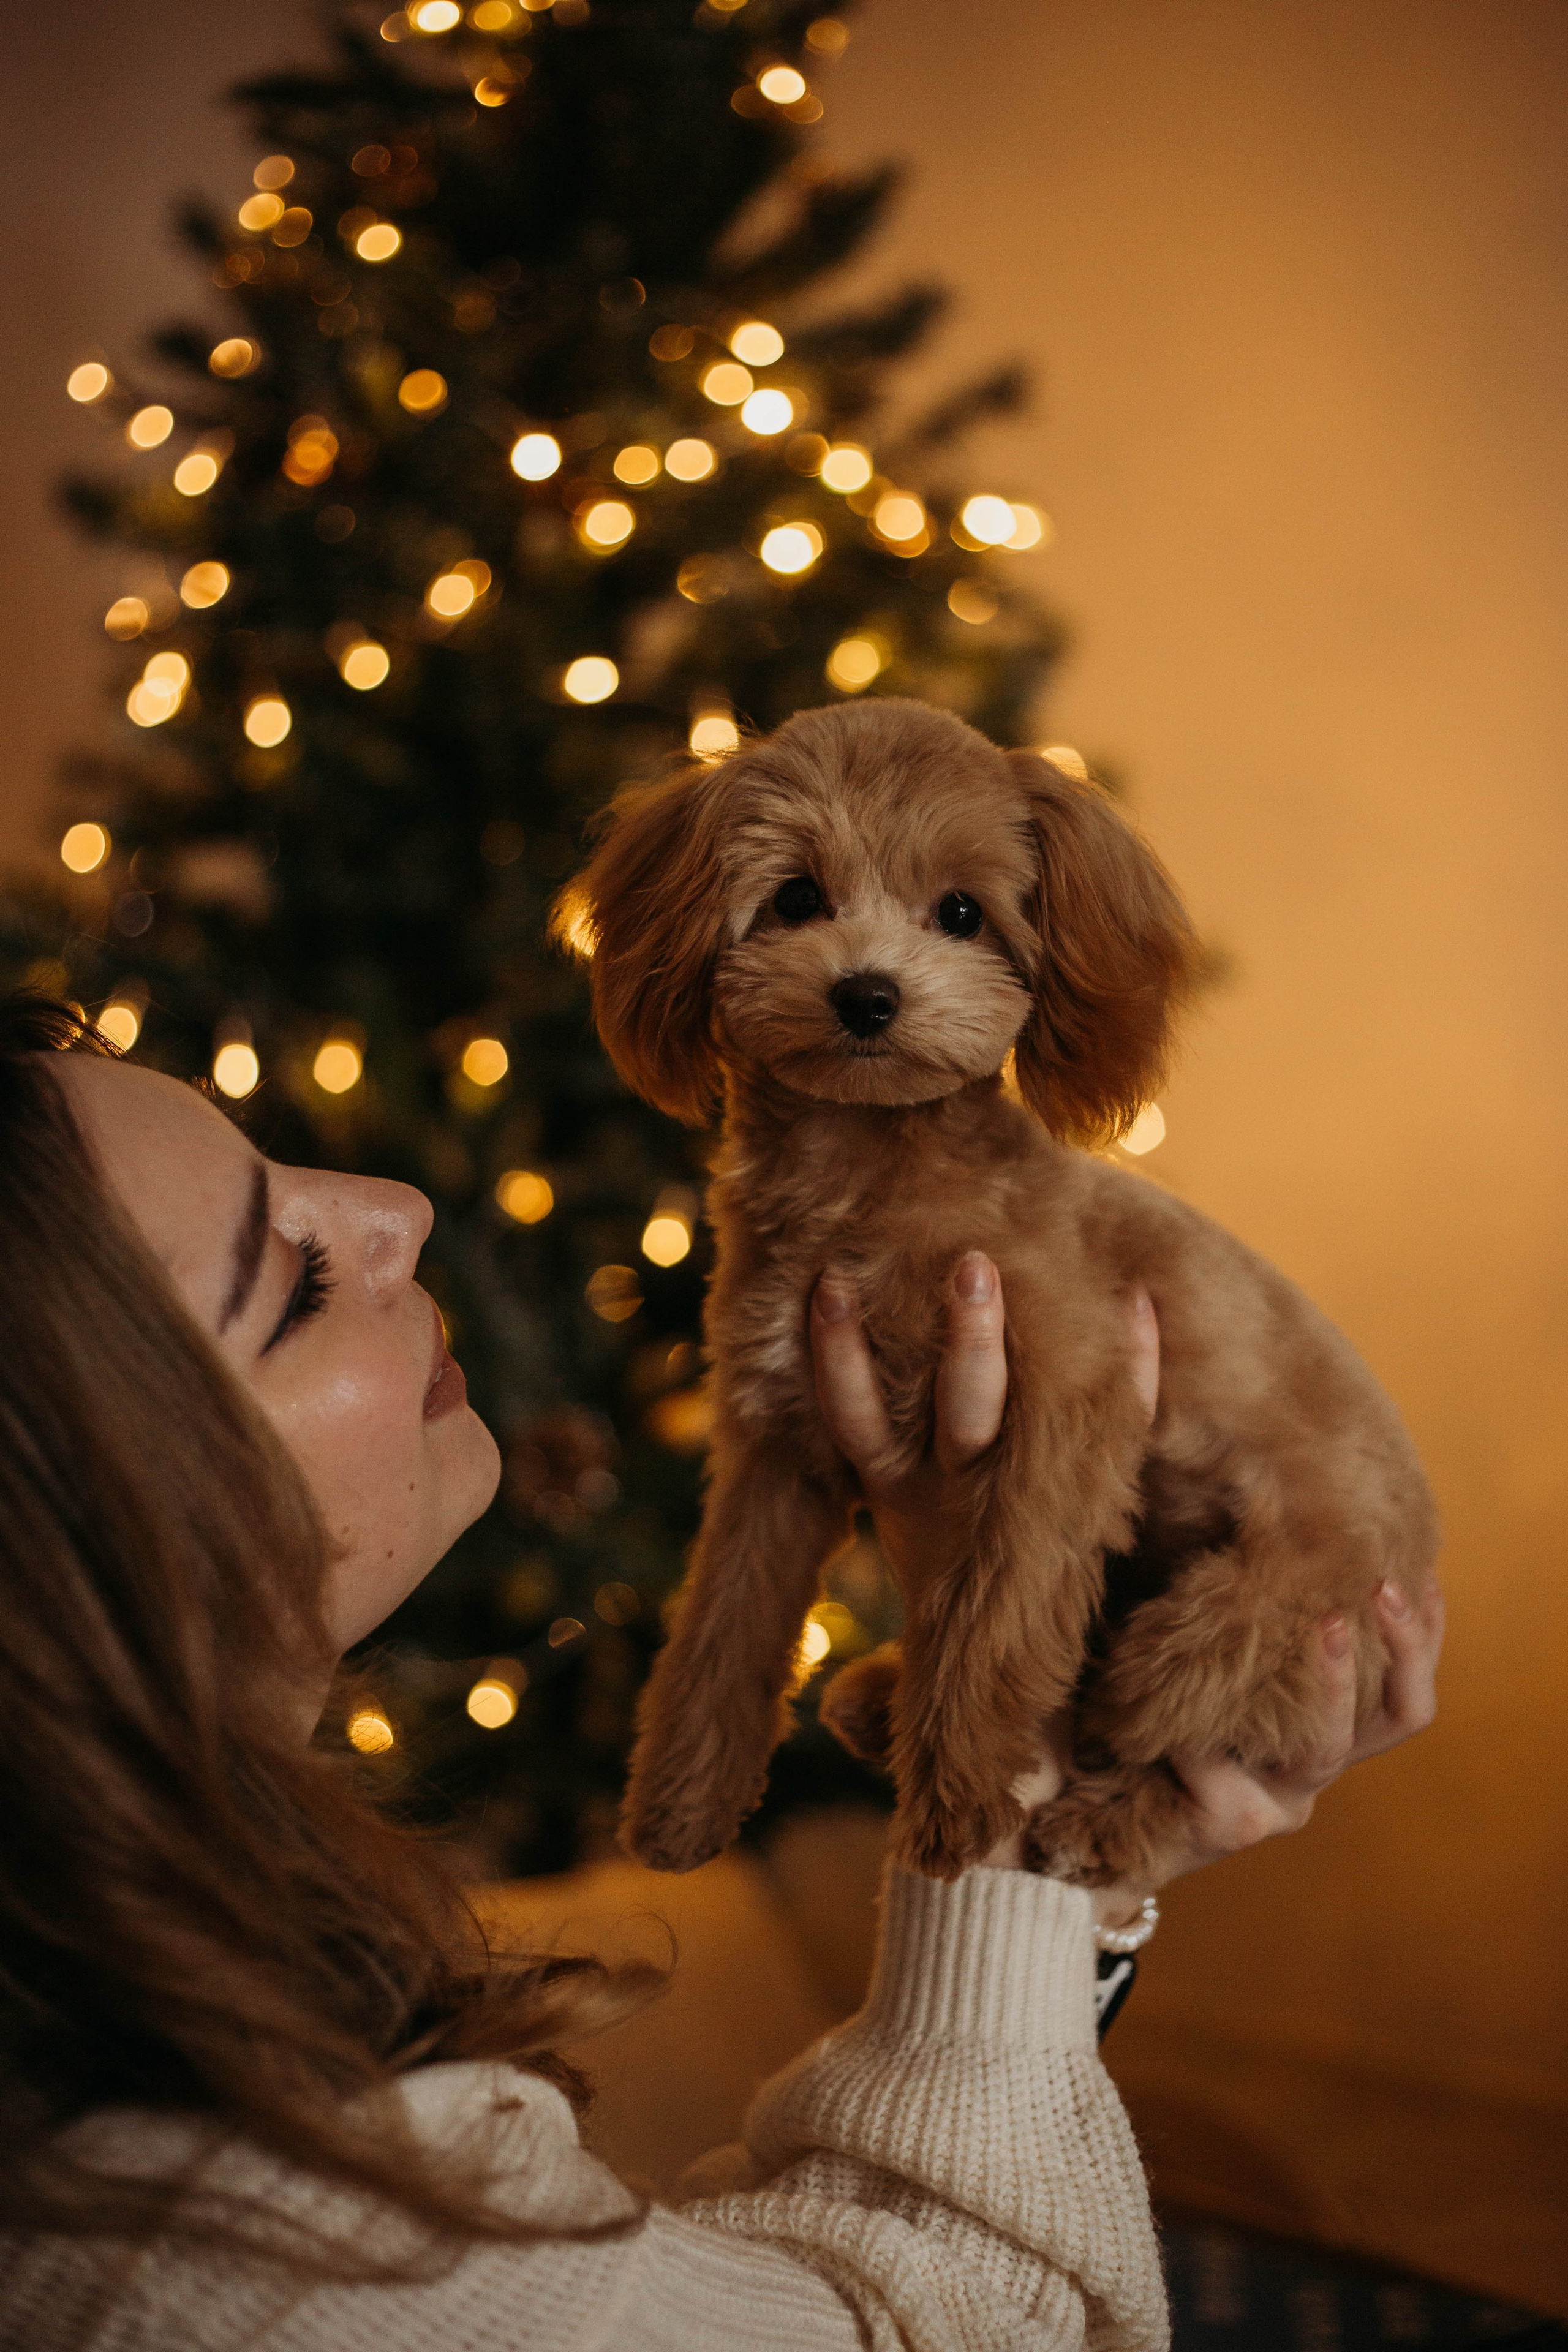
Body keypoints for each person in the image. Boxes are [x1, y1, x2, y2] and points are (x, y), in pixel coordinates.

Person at [0, 995, 1442, 2351]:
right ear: (94, 1542)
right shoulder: (226, 2240)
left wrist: (1071, 1869)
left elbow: (675, 2300)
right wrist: (989, 1720)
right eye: (296, 1283)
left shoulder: (173, 2011)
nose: (401, 1210)